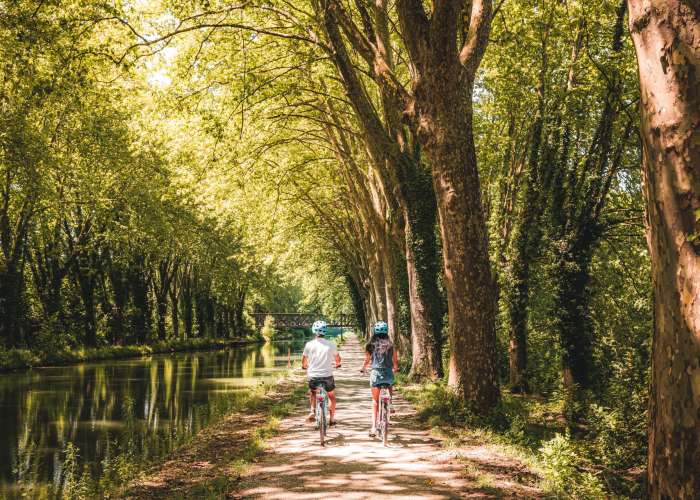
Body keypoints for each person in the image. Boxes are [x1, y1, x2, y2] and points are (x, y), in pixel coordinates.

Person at [361, 320, 399, 437]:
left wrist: (363, 367)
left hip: (375, 374)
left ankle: (373, 427)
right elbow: (395, 361)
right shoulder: (391, 346)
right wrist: (395, 368)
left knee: (375, 401)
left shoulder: (370, 345)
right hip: (388, 373)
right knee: (389, 383)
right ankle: (390, 402)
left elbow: (367, 360)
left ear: (374, 332)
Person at [302, 320, 341, 425]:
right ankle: (332, 419)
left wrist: (304, 366)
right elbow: (337, 358)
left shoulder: (309, 344)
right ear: (325, 331)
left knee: (313, 392)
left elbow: (304, 360)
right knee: (331, 396)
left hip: (313, 376)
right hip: (327, 376)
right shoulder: (331, 344)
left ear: (314, 331)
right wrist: (337, 364)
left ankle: (312, 411)